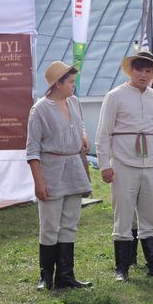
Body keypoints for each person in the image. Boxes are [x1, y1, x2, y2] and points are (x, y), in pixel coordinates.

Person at [96, 50, 153, 282]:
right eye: (139, 69)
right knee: (123, 215)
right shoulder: (115, 96)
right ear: (131, 71)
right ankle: (122, 268)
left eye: (148, 70)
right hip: (123, 163)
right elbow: (103, 133)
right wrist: (104, 164)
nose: (143, 74)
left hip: (152, 164)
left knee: (150, 215)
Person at [26, 61, 93, 290]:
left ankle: (66, 275)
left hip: (73, 167)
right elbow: (32, 149)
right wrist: (39, 181)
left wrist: (83, 135)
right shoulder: (40, 109)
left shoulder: (74, 102)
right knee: (49, 224)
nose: (74, 86)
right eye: (71, 82)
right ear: (57, 84)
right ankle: (46, 277)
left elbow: (79, 124)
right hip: (51, 170)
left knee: (69, 224)